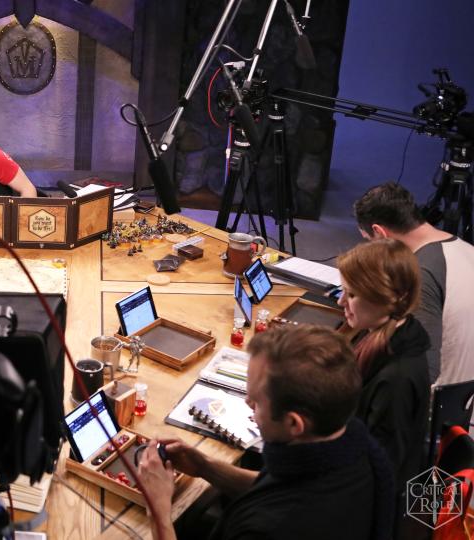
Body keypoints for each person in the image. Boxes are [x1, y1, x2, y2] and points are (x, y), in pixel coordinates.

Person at [137, 326, 394, 540]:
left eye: (256, 401)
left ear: (294, 424)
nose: (247, 402)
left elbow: (279, 502)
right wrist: (205, 466)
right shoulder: (355, 447)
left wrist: (158, 513)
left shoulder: (271, 528)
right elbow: (276, 485)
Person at [337, 239, 430, 535]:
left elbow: (379, 468)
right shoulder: (388, 336)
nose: (341, 302)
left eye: (351, 294)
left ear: (389, 299)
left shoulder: (396, 380)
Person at [354, 181, 474, 385]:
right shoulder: (466, 249)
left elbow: (424, 367)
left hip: (445, 406)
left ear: (380, 232)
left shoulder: (419, 274)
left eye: (369, 240)